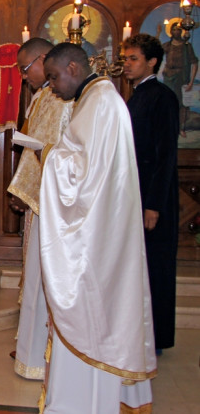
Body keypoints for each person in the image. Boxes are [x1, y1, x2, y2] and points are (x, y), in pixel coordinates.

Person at [39, 42, 156, 413]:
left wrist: (50, 155)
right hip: (102, 229)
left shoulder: (101, 103)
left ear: (73, 67)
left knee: (91, 312)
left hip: (96, 240)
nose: (53, 86)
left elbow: (81, 177)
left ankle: (84, 403)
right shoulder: (97, 100)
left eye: (55, 77)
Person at [7, 38, 72, 380]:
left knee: (44, 280)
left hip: (55, 205)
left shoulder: (65, 101)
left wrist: (25, 188)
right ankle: (31, 349)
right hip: (37, 200)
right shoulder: (41, 98)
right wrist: (21, 189)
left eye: (25, 67)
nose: (23, 75)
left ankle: (44, 354)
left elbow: (60, 152)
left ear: (43, 60)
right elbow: (35, 152)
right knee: (32, 279)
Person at [124, 33, 179, 354]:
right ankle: (140, 333)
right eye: (126, 59)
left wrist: (153, 205)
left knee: (156, 266)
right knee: (139, 266)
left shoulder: (162, 97)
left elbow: (165, 155)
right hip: (137, 194)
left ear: (152, 62)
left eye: (133, 59)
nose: (127, 65)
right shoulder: (138, 95)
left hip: (154, 198)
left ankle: (156, 339)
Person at [161, 21, 198, 136]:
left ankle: (181, 128)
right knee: (167, 103)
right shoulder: (168, 45)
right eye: (174, 29)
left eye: (178, 29)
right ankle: (167, 127)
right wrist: (157, 34)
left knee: (181, 103)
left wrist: (191, 82)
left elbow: (194, 63)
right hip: (168, 77)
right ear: (171, 31)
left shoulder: (186, 46)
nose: (176, 31)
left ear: (181, 31)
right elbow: (155, 52)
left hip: (181, 77)